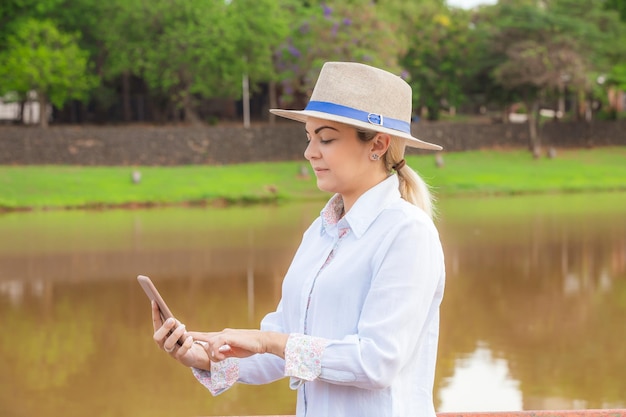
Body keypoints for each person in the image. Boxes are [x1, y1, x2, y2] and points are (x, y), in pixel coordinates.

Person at [151, 61, 446, 417]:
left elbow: (376, 362)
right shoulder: (320, 232)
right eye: (309, 138)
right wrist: (201, 355)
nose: (310, 152)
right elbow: (286, 346)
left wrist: (268, 341)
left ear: (378, 144)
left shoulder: (407, 233)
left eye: (326, 138)